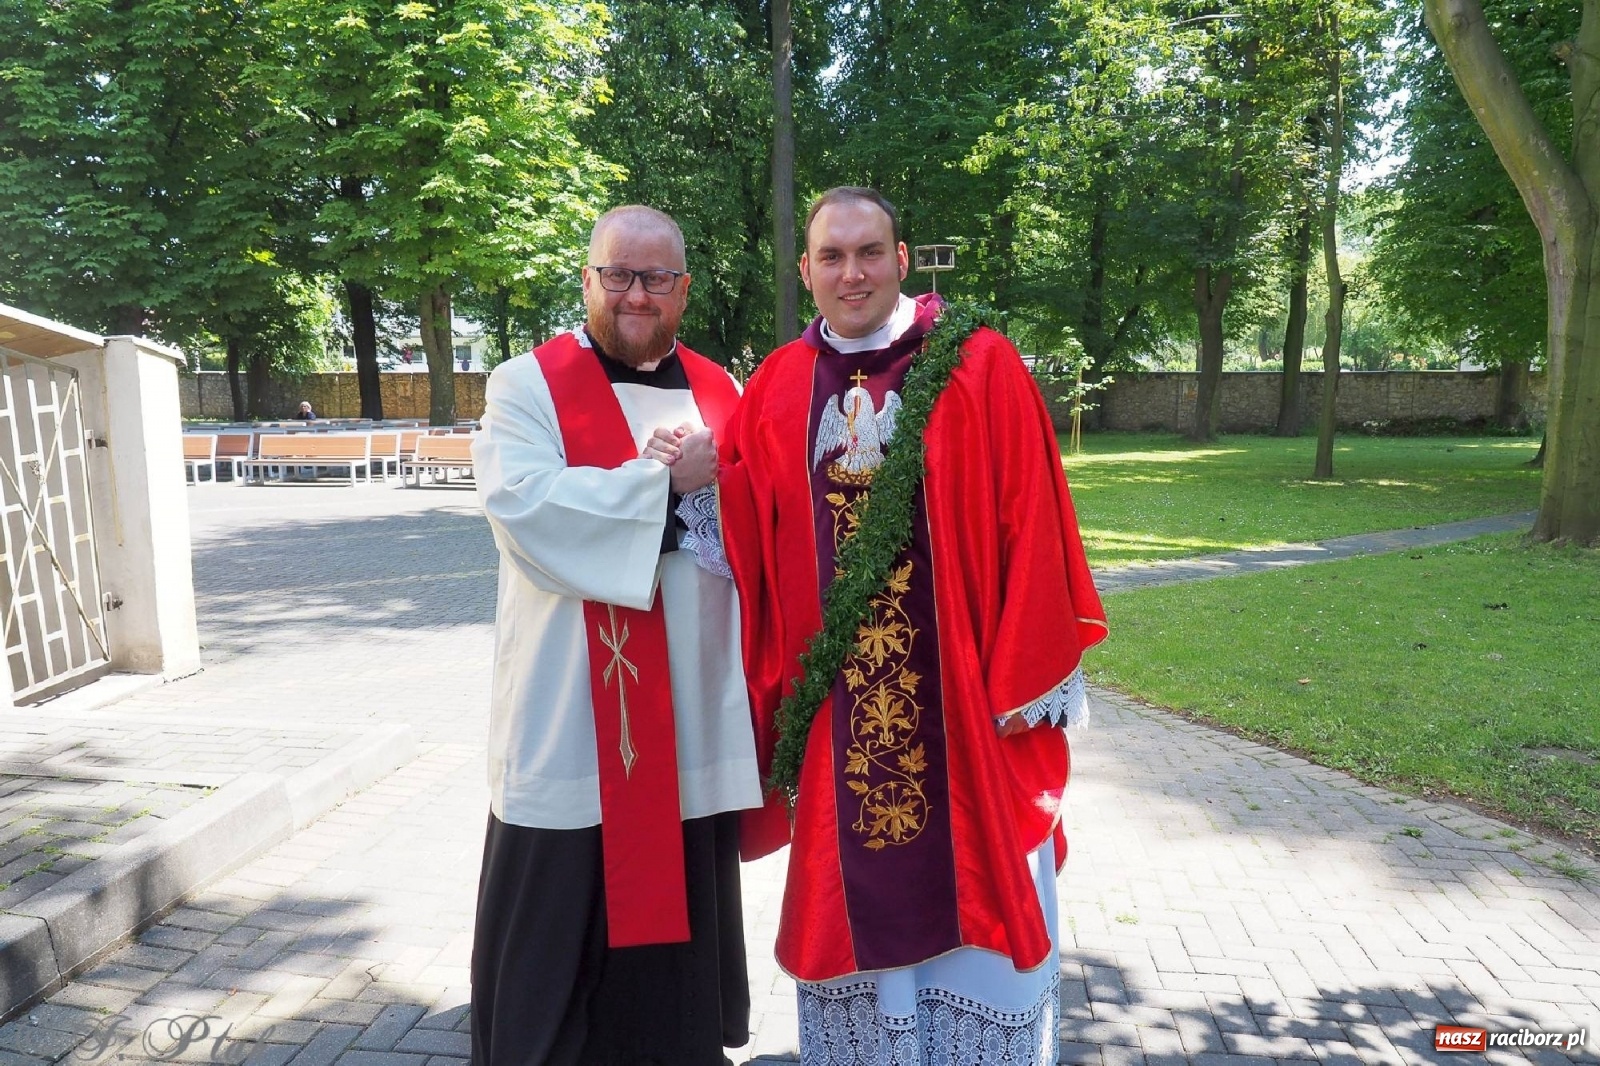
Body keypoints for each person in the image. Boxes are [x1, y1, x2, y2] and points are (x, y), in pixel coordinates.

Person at [670, 186, 1108, 1063]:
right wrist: (700, 478)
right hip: (840, 717)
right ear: (806, 270)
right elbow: (750, 519)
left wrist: (1022, 673)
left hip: (965, 711)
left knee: (980, 889)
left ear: (901, 260)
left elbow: (1033, 516)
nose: (853, 273)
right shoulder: (782, 382)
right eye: (832, 257)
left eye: (870, 252)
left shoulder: (979, 364)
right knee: (854, 912)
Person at [469, 204, 763, 1066]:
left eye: (657, 278)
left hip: (690, 712)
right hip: (570, 713)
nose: (637, 294)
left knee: (674, 951)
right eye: (619, 275)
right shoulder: (527, 384)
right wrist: (664, 487)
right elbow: (524, 508)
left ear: (684, 289)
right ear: (588, 280)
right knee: (556, 919)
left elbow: (761, 523)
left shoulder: (720, 389)